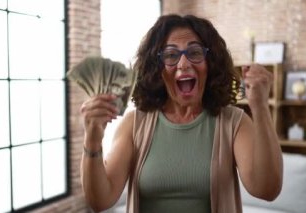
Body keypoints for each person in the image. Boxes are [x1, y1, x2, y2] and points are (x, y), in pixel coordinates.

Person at [80, 14, 283, 213]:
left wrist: (260, 107)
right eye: (170, 55)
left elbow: (266, 190)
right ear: (157, 68)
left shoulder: (234, 122)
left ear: (210, 63)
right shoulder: (134, 123)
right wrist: (92, 139)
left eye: (195, 53)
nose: (183, 64)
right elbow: (101, 200)